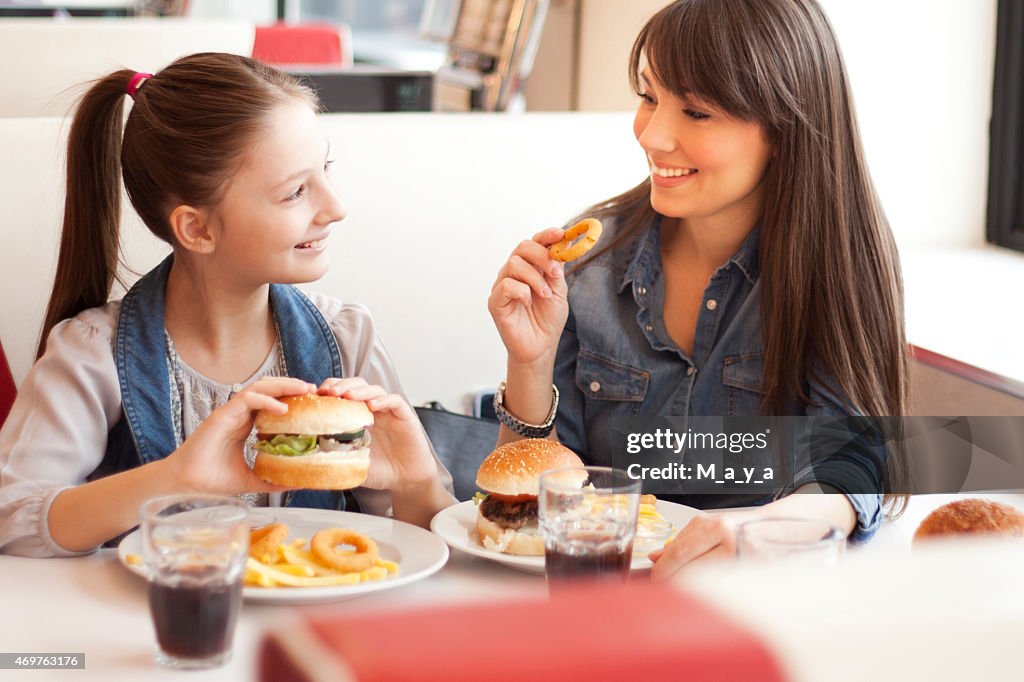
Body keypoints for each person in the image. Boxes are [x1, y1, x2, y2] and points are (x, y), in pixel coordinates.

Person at [487, 0, 908, 580]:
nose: (653, 134)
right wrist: (528, 361)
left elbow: (856, 464)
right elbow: (537, 493)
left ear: (784, 130)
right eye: (649, 96)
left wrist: (762, 528)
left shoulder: (835, 261)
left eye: (697, 112)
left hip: (761, 601)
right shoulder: (595, 258)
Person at [0, 53, 454, 558]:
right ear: (197, 228)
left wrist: (415, 484)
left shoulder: (348, 336)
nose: (336, 206)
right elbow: (12, 520)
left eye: (325, 170)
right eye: (296, 191)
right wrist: (172, 477)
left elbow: (439, 556)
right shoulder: (92, 352)